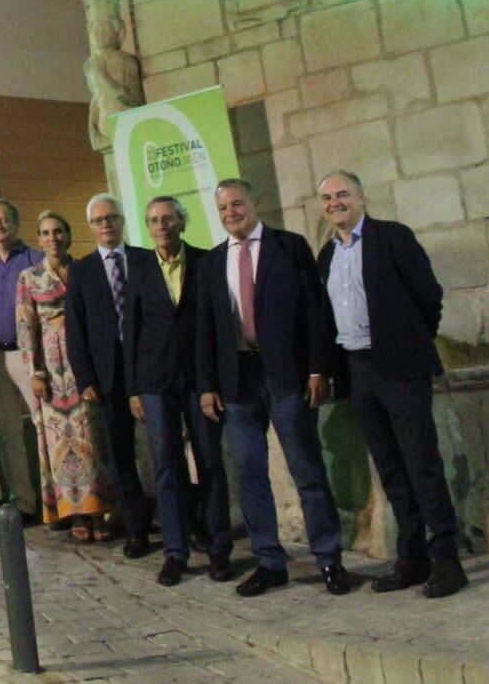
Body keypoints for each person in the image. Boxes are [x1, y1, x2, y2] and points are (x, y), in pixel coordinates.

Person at [197, 178, 352, 597]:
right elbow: (206, 329)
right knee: (249, 474)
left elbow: (315, 312)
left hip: (286, 374)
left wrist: (318, 368)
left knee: (306, 469)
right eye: (223, 208)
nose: (231, 212)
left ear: (255, 203)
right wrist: (207, 384)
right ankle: (269, 562)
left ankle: (328, 559)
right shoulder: (211, 263)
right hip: (237, 382)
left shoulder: (289, 247)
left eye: (237, 204)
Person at [315, 171, 466, 599]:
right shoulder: (327, 255)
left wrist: (410, 342)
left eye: (343, 194)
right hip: (357, 371)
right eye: (327, 198)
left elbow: (428, 296)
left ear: (361, 198)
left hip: (399, 369)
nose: (335, 203)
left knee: (422, 464)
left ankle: (448, 562)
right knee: (391, 470)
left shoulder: (392, 237)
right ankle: (412, 558)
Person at [124, 195, 230, 585]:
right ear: (148, 228)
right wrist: (134, 388)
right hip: (155, 382)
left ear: (182, 223)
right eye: (154, 220)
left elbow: (216, 326)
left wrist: (211, 382)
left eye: (168, 219)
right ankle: (175, 551)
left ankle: (219, 547)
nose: (162, 226)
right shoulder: (139, 269)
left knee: (210, 463)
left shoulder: (206, 263)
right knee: (166, 466)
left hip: (199, 380)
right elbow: (131, 331)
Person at [65, 193, 153, 556]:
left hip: (150, 370)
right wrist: (85, 380)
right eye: (99, 220)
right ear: (91, 227)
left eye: (112, 218)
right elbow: (76, 328)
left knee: (165, 452)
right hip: (107, 379)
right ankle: (137, 531)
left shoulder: (146, 261)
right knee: (121, 458)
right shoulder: (82, 271)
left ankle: (182, 523)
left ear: (122, 221)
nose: (106, 225)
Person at [17, 211, 114, 539]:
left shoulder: (85, 270)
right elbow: (25, 327)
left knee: (91, 438)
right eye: (45, 232)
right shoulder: (28, 278)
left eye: (58, 231)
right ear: (39, 239)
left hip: (83, 363)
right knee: (59, 442)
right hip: (51, 369)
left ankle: (98, 509)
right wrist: (34, 372)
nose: (52, 237)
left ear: (69, 235)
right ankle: (73, 512)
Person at [0, 198, 45, 520]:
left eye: (4, 220)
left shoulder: (35, 260)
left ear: (16, 225)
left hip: (28, 357)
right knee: (8, 434)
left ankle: (53, 500)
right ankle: (26, 502)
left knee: (44, 426)